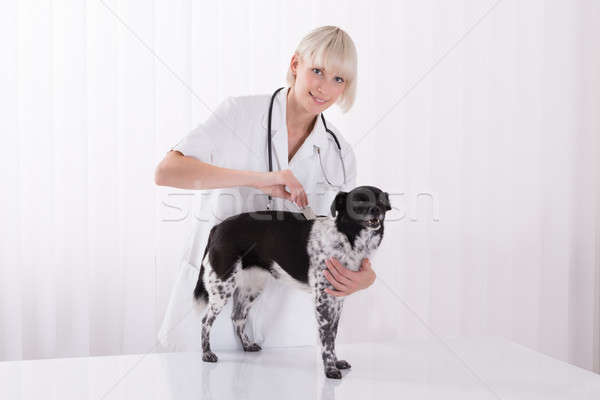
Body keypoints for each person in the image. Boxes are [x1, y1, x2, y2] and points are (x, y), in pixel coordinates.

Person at [155, 26, 376, 352]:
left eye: (338, 79)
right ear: (296, 64)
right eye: (317, 71)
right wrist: (257, 178)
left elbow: (346, 236)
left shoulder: (340, 153)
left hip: (286, 327)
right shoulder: (239, 114)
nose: (324, 87)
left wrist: (364, 277)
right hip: (219, 288)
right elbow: (167, 172)